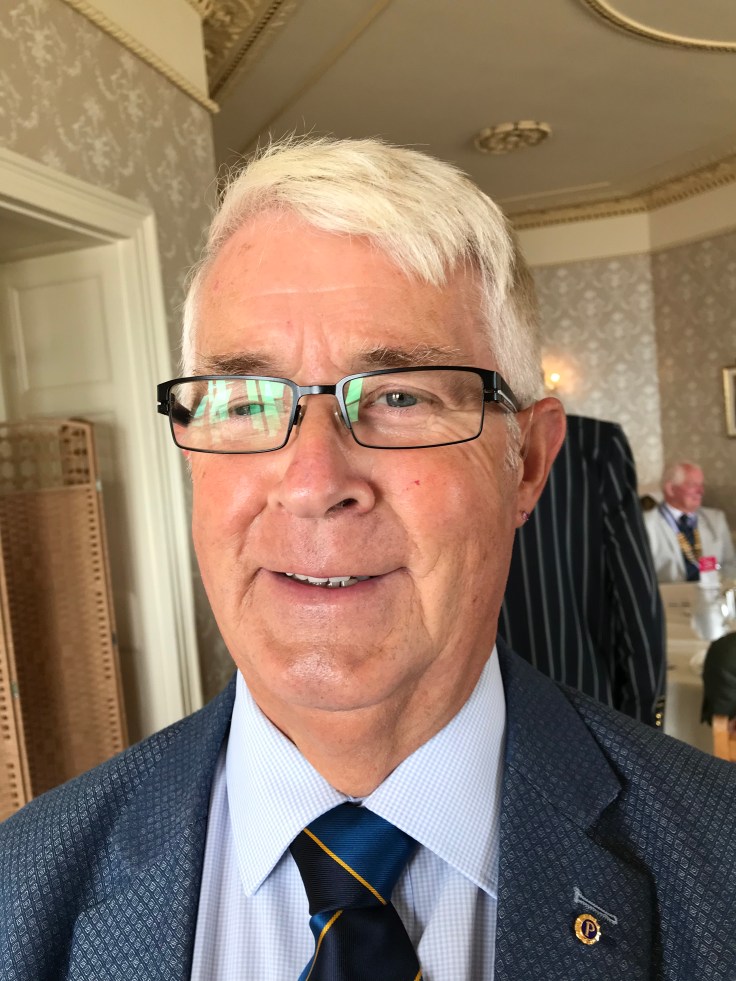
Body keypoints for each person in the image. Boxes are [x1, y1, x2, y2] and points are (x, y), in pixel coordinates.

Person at [2, 138, 735, 981]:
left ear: (528, 462)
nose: (313, 483)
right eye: (245, 400)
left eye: (399, 396)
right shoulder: (19, 890)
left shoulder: (718, 861)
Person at [499, 414, 666, 727]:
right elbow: (636, 600)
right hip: (578, 703)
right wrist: (642, 727)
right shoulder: (591, 445)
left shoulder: (594, 446)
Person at [644, 461, 736, 582]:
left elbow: (730, 565)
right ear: (670, 489)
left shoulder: (716, 519)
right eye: (693, 485)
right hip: (669, 593)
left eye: (701, 485)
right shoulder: (646, 523)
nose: (701, 491)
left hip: (712, 591)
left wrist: (717, 581)